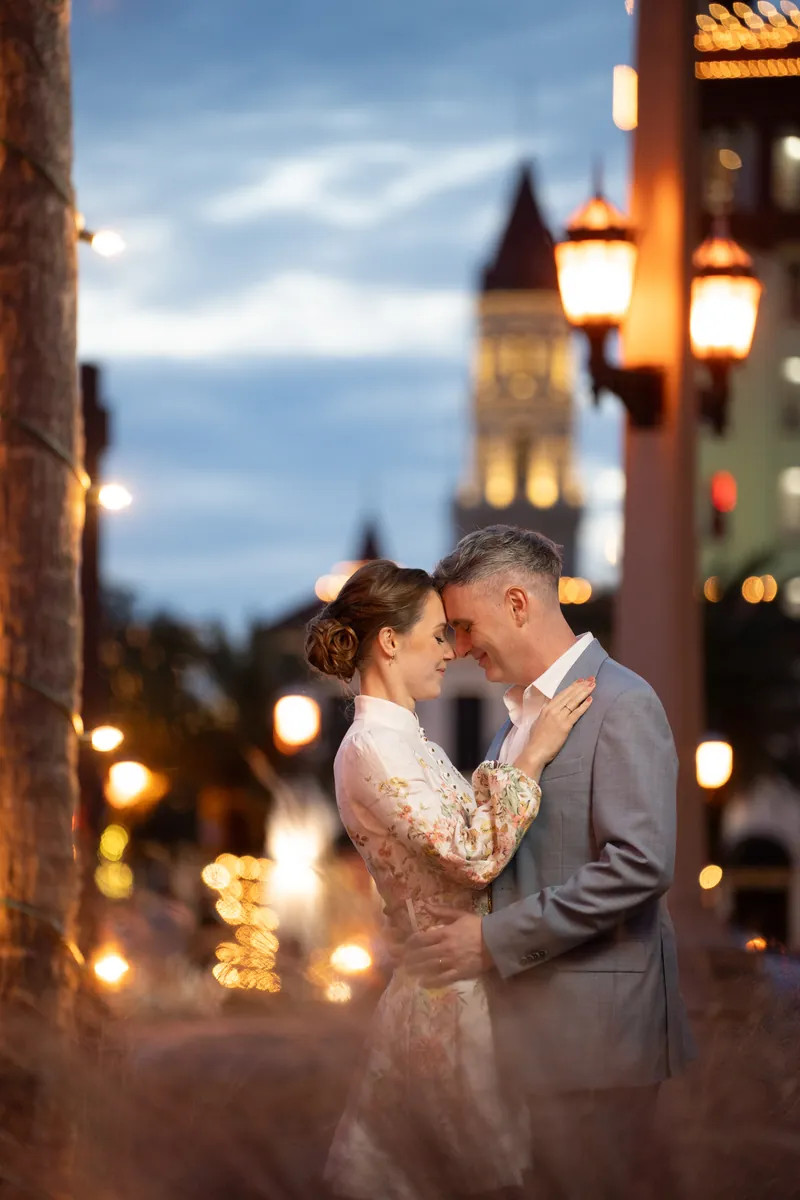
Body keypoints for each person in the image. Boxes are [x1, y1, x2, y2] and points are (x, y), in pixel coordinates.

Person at [405, 525, 696, 1200]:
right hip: (529, 1037)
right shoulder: (516, 724)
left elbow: (640, 866)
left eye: (466, 625)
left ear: (517, 602)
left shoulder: (623, 703)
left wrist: (489, 940)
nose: (462, 647)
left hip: (594, 1040)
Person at [305, 558, 595, 1200]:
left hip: (462, 981)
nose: (452, 651)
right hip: (446, 992)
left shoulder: (411, 743)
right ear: (389, 641)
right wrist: (537, 750)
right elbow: (471, 853)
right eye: (439, 635)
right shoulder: (373, 748)